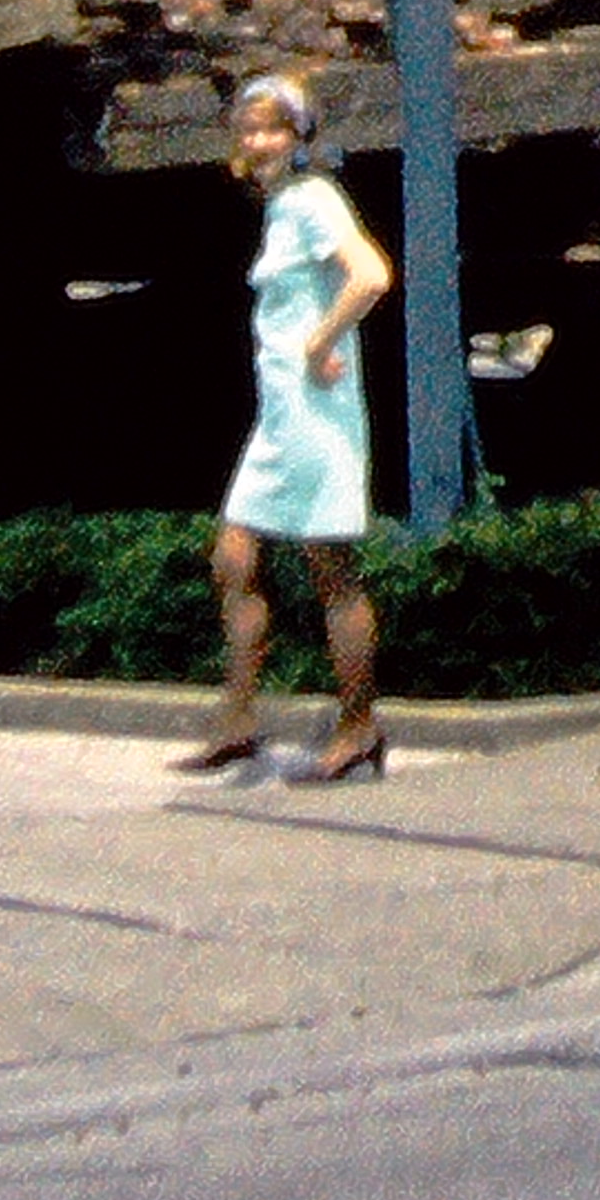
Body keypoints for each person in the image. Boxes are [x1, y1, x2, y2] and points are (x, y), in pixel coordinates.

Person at [179, 74, 396, 786]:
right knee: (233, 560)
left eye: (272, 128)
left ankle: (360, 724)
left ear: (300, 136)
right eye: (247, 129)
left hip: (314, 414)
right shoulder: (280, 206)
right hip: (280, 417)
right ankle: (239, 719)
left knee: (331, 571)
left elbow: (370, 275)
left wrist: (318, 341)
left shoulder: (311, 200)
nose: (257, 141)